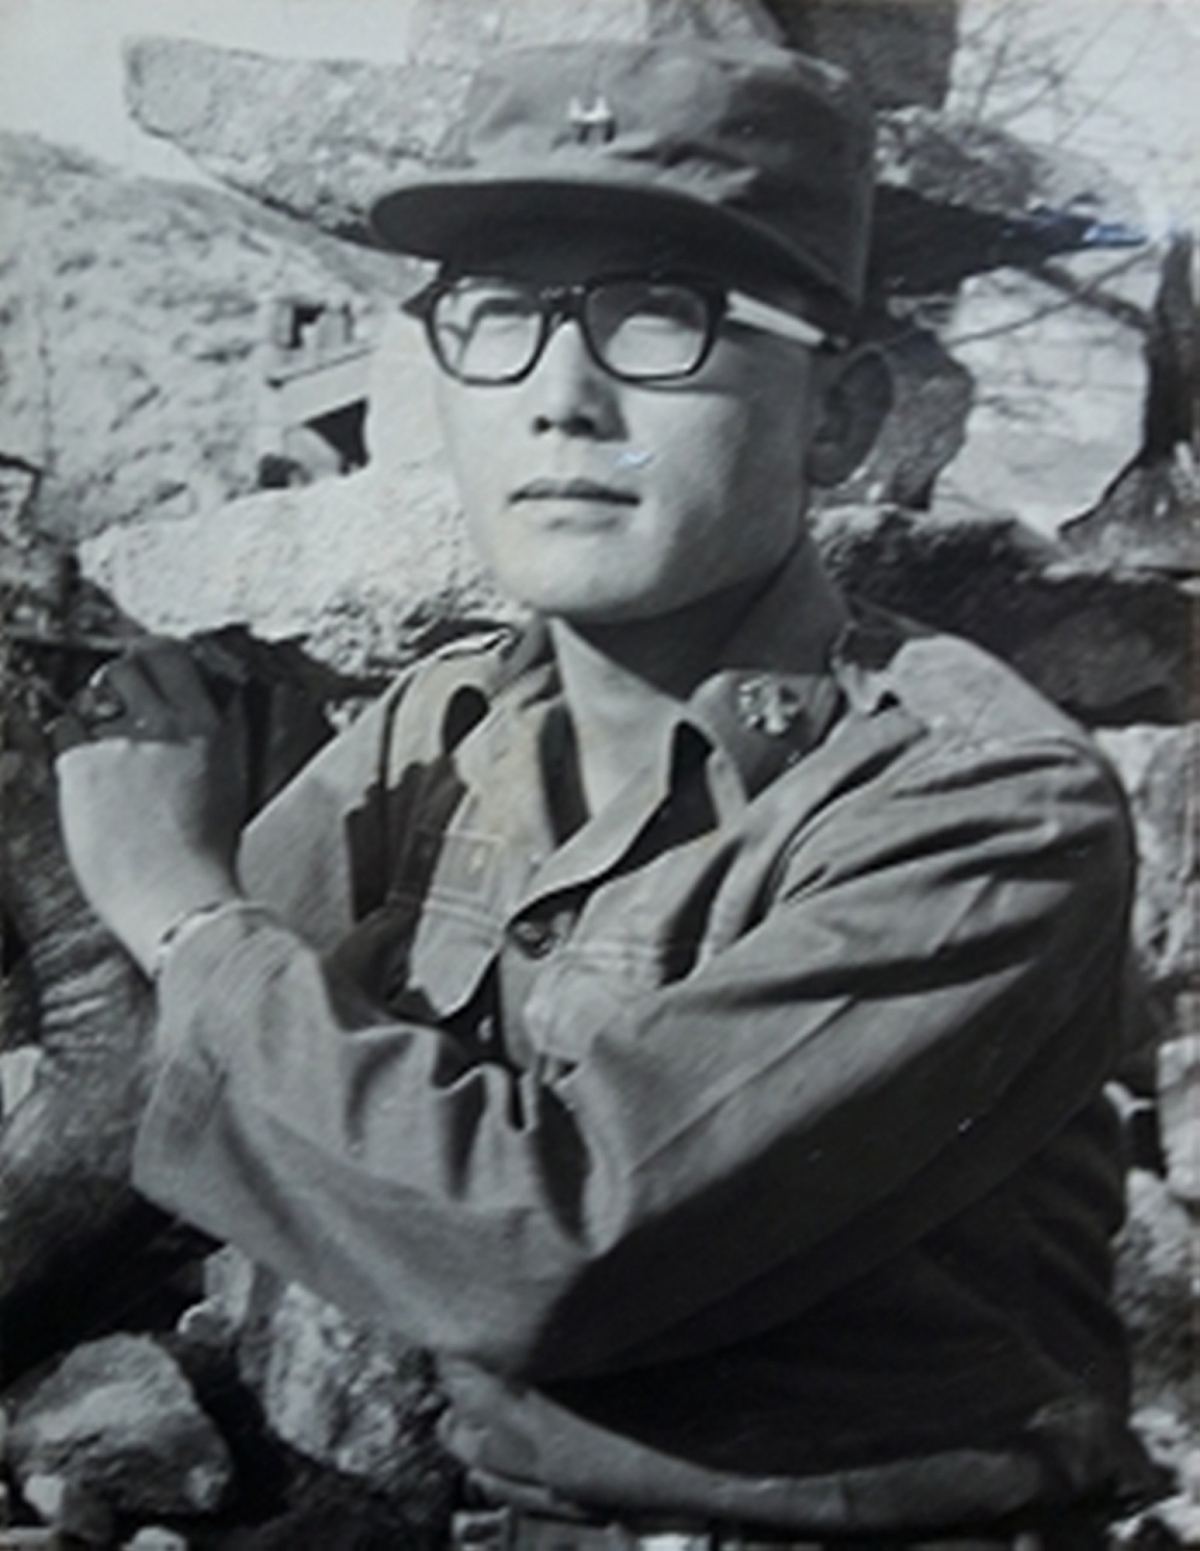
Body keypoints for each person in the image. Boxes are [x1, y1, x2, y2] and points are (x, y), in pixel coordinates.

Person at [57, 37, 1152, 1548]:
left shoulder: (983, 807)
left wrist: (181, 906)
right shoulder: (451, 724)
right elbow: (149, 1051)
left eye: (660, 316)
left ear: (838, 418)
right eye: (500, 314)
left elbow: (548, 1247)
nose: (560, 397)